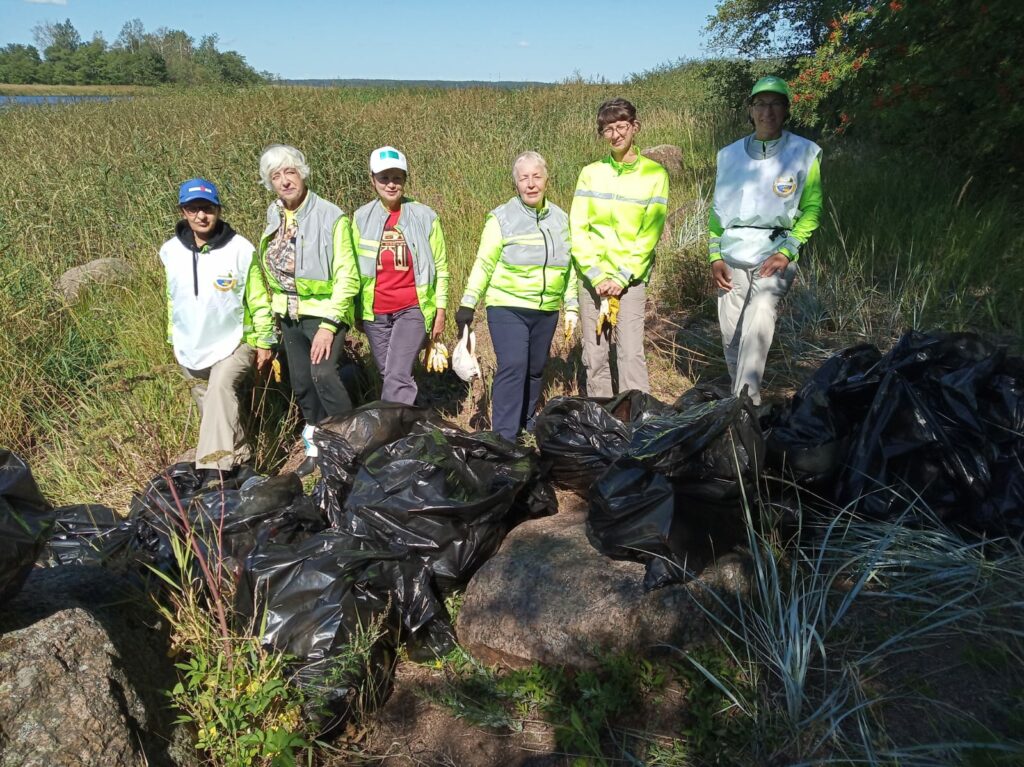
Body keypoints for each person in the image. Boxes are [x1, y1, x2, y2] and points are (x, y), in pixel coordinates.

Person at [709, 76, 823, 405]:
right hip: (731, 255)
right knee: (732, 338)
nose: (767, 111)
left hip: (774, 254)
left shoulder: (804, 153)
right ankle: (742, 408)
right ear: (750, 110)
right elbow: (716, 213)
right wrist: (714, 256)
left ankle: (745, 403)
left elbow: (812, 208)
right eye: (760, 104)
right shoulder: (729, 156)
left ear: (786, 110)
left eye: (775, 104)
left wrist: (788, 251)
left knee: (759, 319)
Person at [455, 151, 579, 442]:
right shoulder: (501, 218)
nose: (531, 184)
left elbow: (569, 265)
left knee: (535, 369)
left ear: (547, 179)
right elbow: (484, 263)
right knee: (513, 366)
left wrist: (571, 305)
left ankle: (527, 421)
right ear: (516, 183)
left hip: (546, 308)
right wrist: (468, 303)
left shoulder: (561, 219)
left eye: (536, 176)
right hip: (507, 306)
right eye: (524, 178)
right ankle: (505, 438)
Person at [159, 178, 275, 484]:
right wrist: (175, 337)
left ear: (218, 209)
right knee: (212, 403)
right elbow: (174, 298)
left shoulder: (240, 249)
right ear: (183, 211)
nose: (201, 216)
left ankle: (214, 472)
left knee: (220, 390)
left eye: (207, 208)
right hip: (191, 345)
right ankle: (243, 459)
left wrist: (263, 341)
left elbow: (258, 298)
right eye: (193, 209)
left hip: (235, 341)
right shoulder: (170, 251)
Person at [256, 144, 359, 477]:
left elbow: (348, 275)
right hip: (288, 315)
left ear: (302, 172)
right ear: (270, 183)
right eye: (276, 176)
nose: (285, 181)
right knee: (302, 383)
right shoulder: (275, 213)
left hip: (323, 313)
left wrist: (330, 324)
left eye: (290, 172)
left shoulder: (331, 215)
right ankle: (316, 449)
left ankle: (350, 449)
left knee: (323, 375)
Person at [569, 98, 669, 397]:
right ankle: (601, 424)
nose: (615, 134)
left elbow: (649, 234)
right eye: (608, 129)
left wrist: (622, 276)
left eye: (621, 126)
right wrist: (597, 275)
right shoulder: (590, 172)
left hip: (630, 280)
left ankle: (637, 423)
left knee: (630, 354)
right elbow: (578, 227)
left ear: (634, 127)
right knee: (595, 356)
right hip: (593, 280)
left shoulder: (655, 175)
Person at [352, 146, 449, 405]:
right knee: (390, 373)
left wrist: (440, 310)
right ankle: (414, 420)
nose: (391, 184)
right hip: (376, 312)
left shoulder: (425, 216)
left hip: (412, 308)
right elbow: (352, 269)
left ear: (405, 179)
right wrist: (356, 310)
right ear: (372, 180)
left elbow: (441, 267)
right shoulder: (361, 218)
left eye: (397, 177)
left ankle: (392, 434)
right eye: (384, 178)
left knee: (397, 376)